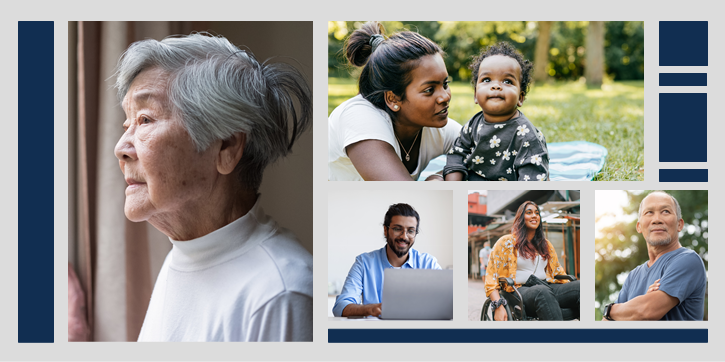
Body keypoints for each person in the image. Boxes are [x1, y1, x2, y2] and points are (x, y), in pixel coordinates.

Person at [113, 33, 313, 341]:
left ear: (227, 147)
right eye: (128, 124)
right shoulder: (184, 256)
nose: (121, 148)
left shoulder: (281, 293)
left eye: (145, 119)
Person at [328, 21, 462, 181]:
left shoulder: (434, 127)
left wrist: (439, 176)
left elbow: (485, 150)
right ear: (393, 98)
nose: (445, 96)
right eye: (429, 90)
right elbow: (406, 196)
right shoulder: (359, 118)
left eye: (445, 84)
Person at [443, 42, 549, 181]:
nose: (496, 86)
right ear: (475, 95)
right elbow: (457, 155)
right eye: (487, 80)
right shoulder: (473, 124)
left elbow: (532, 179)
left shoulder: (527, 136)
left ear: (520, 98)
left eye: (507, 81)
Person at [602, 191, 707, 321]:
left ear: (679, 224)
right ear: (639, 226)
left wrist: (611, 310)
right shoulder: (633, 276)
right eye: (649, 212)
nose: (657, 219)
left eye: (666, 212)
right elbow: (606, 324)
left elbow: (646, 311)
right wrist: (638, 306)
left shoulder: (688, 260)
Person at [332, 203, 441, 317]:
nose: (404, 236)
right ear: (385, 230)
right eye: (397, 229)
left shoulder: (428, 263)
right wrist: (370, 309)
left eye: (410, 231)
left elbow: (448, 302)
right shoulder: (364, 263)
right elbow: (341, 307)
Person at [485, 201, 579, 320]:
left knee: (579, 287)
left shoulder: (546, 245)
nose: (534, 215)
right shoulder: (506, 242)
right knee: (542, 291)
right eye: (529, 212)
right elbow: (491, 277)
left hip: (546, 286)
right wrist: (498, 305)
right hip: (518, 291)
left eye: (537, 213)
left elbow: (557, 271)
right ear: (520, 218)